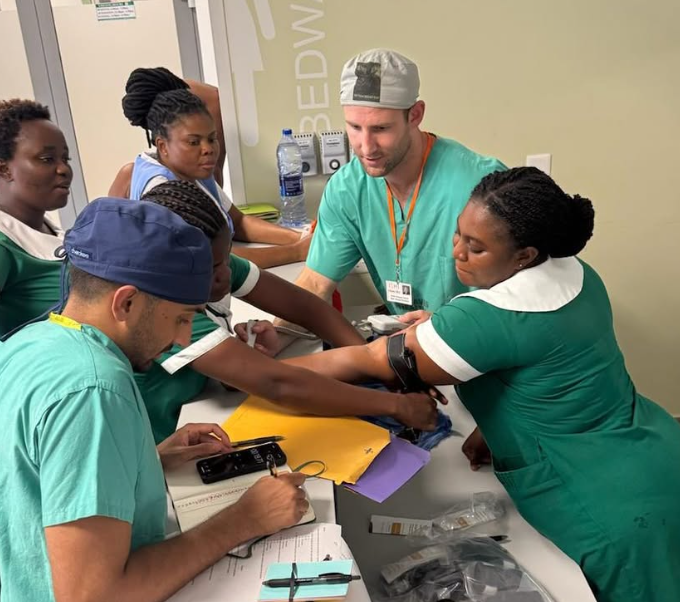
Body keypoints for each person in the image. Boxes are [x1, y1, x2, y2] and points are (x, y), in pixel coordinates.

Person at [285, 167, 680, 602]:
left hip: (608, 506)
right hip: (653, 447)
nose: (457, 252)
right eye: (458, 234)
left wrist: (257, 373)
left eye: (476, 247)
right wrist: (497, 426)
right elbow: (550, 373)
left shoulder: (485, 319)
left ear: (524, 255)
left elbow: (368, 360)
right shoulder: (576, 274)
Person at [0, 198, 308, 602]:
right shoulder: (94, 389)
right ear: (126, 303)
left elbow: (39, 485)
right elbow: (94, 596)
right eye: (182, 318)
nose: (183, 338)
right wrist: (244, 519)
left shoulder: (29, 342)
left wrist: (144, 462)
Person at [136, 180, 431, 443]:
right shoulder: (165, 314)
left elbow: (307, 306)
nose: (225, 272)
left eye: (226, 258)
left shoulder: (213, 264)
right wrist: (395, 403)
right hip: (167, 453)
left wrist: (373, 364)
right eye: (214, 267)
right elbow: (278, 384)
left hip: (203, 410)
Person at [289, 48, 506, 315]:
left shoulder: (482, 186)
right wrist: (275, 330)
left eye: (381, 129)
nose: (366, 147)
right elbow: (315, 283)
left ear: (415, 115)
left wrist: (446, 328)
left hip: (477, 337)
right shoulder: (347, 189)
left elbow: (527, 294)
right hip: (403, 335)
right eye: (355, 127)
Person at [118, 66, 311, 269]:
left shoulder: (194, 169)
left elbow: (239, 222)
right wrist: (297, 251)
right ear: (162, 145)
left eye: (212, 139)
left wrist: (301, 237)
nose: (208, 149)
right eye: (193, 142)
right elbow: (214, 259)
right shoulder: (163, 190)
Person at [0, 99, 72, 337]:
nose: (63, 169)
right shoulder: (5, 244)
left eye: (66, 159)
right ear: (4, 169)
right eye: (47, 159)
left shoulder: (53, 232)